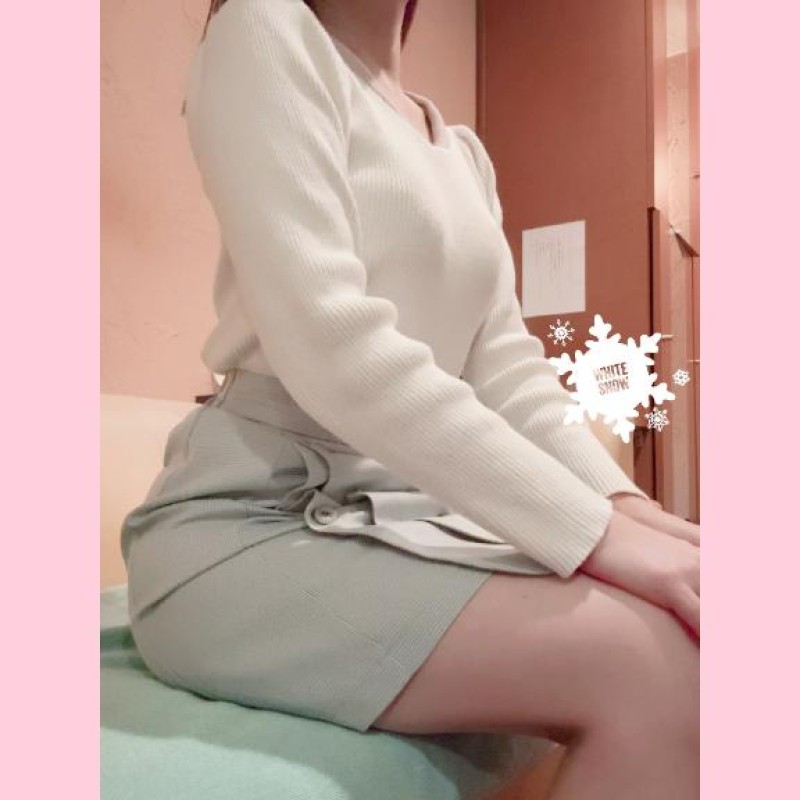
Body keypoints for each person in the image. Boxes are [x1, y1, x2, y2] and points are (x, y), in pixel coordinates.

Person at [121, 2, 699, 798]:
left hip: (397, 523)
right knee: (655, 665)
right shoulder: (266, 27)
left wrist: (638, 517)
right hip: (251, 529)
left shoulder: (461, 152)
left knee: (692, 628)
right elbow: (336, 345)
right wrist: (598, 538)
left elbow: (509, 375)